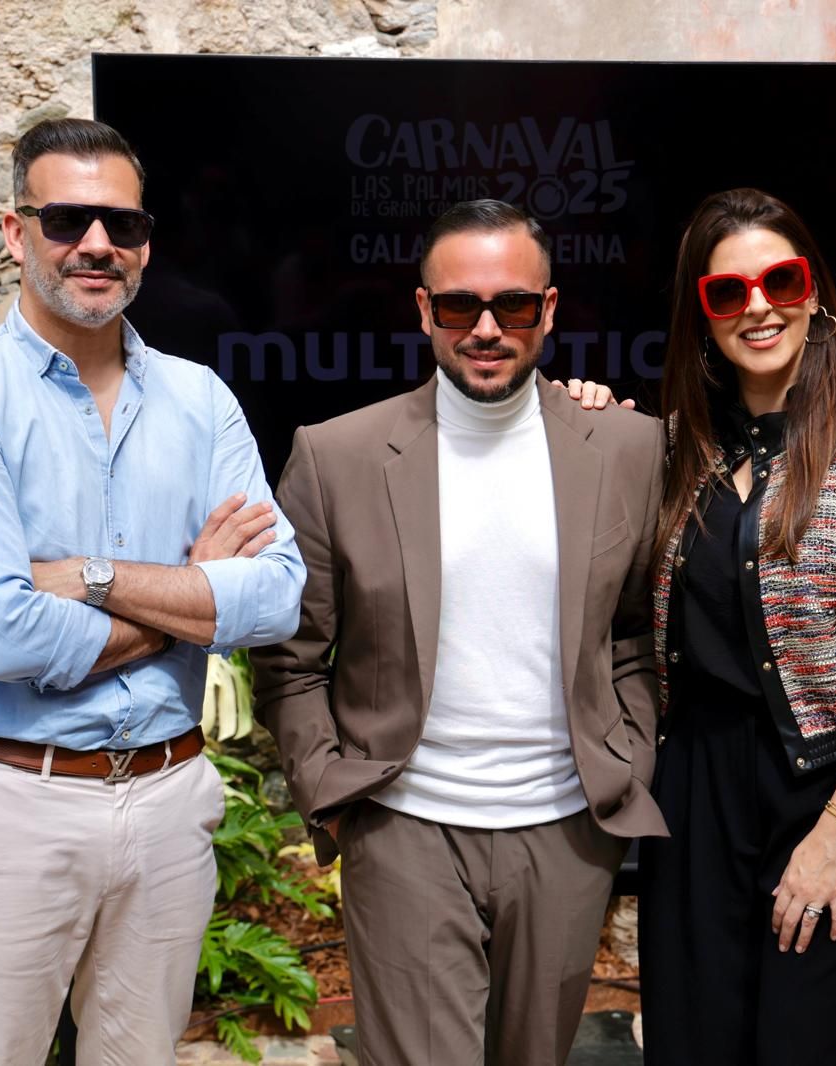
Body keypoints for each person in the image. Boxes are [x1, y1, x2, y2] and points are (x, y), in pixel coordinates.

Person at [0, 117, 305, 1066]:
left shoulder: (201, 400)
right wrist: (190, 596)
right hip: (11, 805)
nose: (96, 245)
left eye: (120, 225)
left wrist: (86, 576)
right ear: (14, 232)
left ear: (146, 244)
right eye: (68, 218)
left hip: (167, 803)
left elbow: (277, 594)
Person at [573, 187, 836, 1063]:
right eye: (727, 293)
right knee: (694, 1041)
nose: (757, 305)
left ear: (815, 291)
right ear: (702, 315)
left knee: (813, 1043)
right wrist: (584, 424)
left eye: (780, 279)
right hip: (694, 789)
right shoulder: (678, 449)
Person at [250, 199, 667, 1066]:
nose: (486, 328)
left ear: (549, 311)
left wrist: (629, 755)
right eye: (458, 306)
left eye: (513, 305)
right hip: (404, 829)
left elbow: (634, 630)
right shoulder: (338, 457)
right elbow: (291, 660)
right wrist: (334, 796)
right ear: (423, 312)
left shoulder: (629, 448)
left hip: (564, 833)